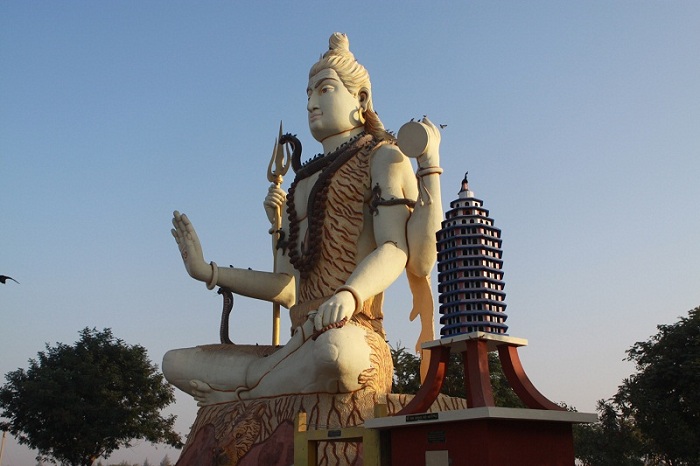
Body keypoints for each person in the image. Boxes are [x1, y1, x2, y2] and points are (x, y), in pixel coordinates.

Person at [164, 33, 442, 405]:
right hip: (297, 346)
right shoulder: (301, 183)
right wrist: (209, 271)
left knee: (336, 355)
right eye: (308, 94)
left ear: (360, 99)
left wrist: (350, 293)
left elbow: (399, 250)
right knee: (175, 364)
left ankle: (246, 394)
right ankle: (259, 383)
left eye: (324, 90)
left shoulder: (384, 157)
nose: (311, 103)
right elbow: (288, 286)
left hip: (353, 334)